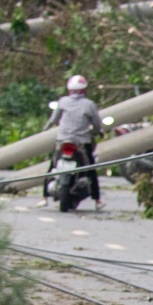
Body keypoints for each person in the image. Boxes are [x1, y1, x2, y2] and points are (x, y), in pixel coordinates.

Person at [44, 73, 106, 208]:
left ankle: (44, 197)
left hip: (62, 140)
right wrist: (99, 132)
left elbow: (54, 120)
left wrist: (48, 127)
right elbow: (96, 124)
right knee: (91, 169)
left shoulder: (62, 101)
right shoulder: (89, 104)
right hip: (82, 142)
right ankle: (97, 200)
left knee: (52, 166)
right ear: (84, 90)